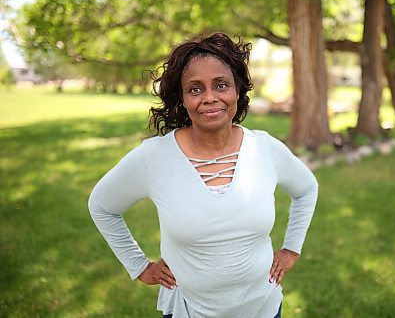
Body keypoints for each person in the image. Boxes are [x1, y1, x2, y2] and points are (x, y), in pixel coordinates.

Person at [88, 32, 318, 318]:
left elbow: (306, 188)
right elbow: (102, 206)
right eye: (195, 89)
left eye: (221, 85)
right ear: (182, 98)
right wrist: (139, 266)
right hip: (190, 311)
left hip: (264, 308)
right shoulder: (155, 157)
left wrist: (291, 249)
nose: (210, 97)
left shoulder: (264, 148)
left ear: (237, 91)